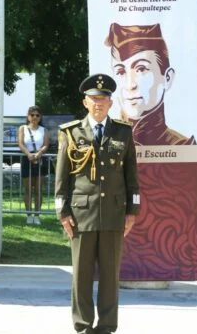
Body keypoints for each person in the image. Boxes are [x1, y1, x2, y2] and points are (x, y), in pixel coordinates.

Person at [55, 73, 140, 334]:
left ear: (111, 103)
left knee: (109, 276)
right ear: (85, 102)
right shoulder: (70, 133)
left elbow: (132, 178)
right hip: (81, 214)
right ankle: (82, 326)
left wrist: (132, 210)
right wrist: (62, 212)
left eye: (103, 98)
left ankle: (106, 326)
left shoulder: (123, 132)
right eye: (94, 98)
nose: (98, 103)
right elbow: (62, 178)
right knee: (80, 275)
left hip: (114, 214)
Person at [105, 22, 195, 145]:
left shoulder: (183, 147)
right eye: (120, 72)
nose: (130, 85)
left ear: (167, 78)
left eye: (141, 69)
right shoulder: (104, 142)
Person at [17, 105, 49, 225]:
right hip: (27, 159)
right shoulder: (22, 128)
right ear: (28, 116)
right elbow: (20, 143)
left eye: (37, 115)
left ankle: (37, 215)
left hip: (40, 160)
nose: (35, 117)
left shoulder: (44, 130)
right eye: (32, 115)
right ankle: (29, 215)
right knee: (28, 189)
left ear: (40, 117)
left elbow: (46, 144)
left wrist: (39, 153)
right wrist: (28, 154)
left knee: (39, 189)